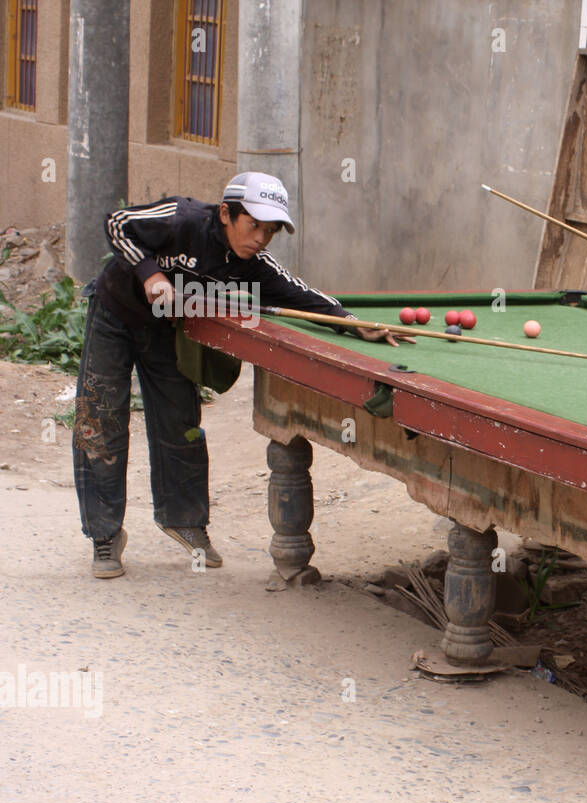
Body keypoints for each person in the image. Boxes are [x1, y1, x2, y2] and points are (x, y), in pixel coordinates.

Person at [73, 171, 413, 579]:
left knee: (181, 422)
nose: (260, 238)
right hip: (115, 312)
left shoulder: (254, 265)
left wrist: (351, 322)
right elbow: (117, 223)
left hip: (167, 328)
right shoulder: (181, 219)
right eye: (253, 225)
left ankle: (183, 520)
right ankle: (105, 535)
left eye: (270, 231)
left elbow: (301, 295)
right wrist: (151, 274)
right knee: (101, 418)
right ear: (225, 214)